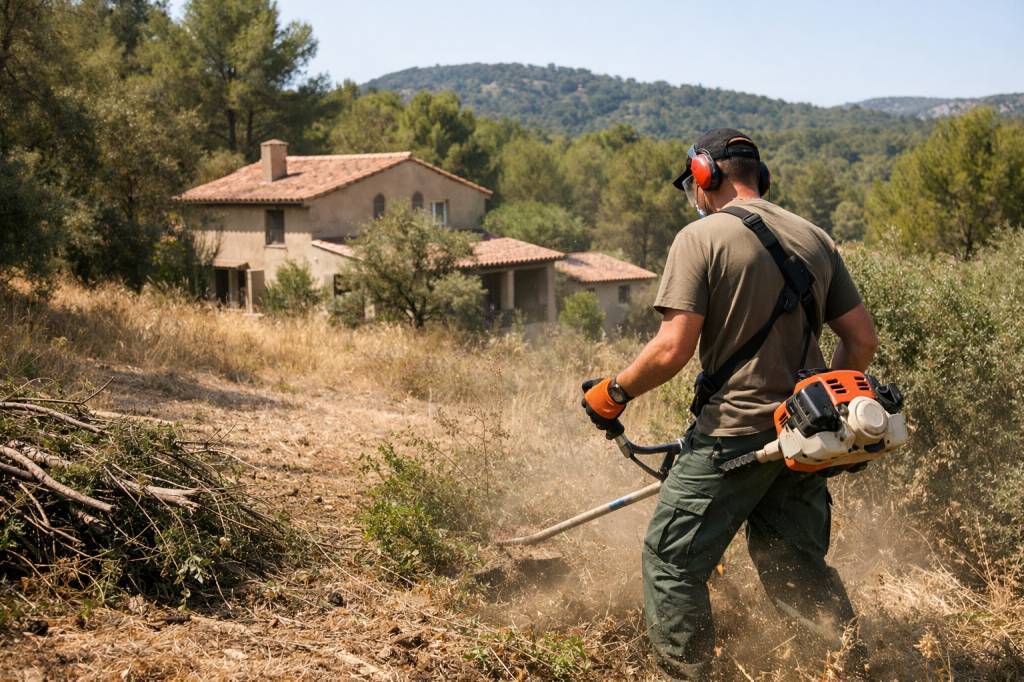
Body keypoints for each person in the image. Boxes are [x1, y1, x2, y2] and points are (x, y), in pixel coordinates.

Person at [580, 128, 879, 680]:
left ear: (704, 175)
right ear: (759, 176)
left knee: (671, 560)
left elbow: (673, 349)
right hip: (802, 436)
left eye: (691, 185)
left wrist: (613, 393)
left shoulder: (700, 238)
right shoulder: (816, 238)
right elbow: (861, 340)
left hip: (731, 436)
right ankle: (845, 671)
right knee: (797, 568)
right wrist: (817, 402)